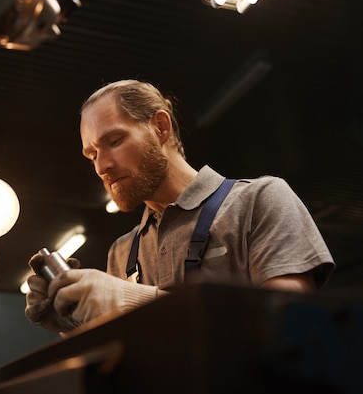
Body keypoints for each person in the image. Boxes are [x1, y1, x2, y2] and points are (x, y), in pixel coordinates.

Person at [24, 79, 335, 333]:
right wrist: (73, 319)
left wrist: (127, 298)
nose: (102, 166)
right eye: (91, 154)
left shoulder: (258, 200)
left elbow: (287, 322)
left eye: (115, 141)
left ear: (160, 126)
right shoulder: (122, 252)